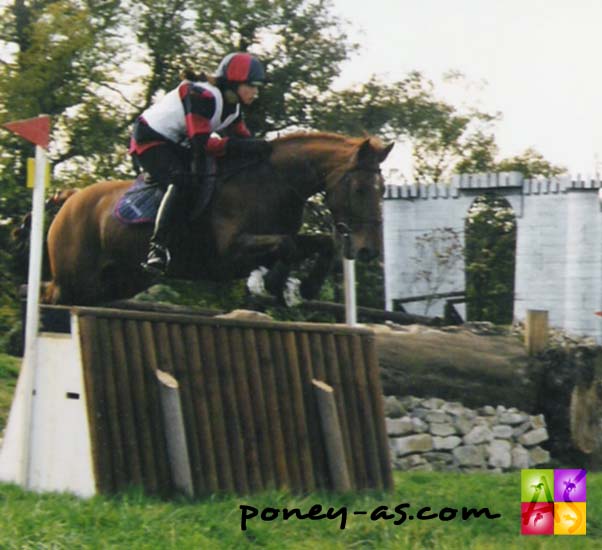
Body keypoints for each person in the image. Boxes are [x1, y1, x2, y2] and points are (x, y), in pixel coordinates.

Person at [129, 52, 272, 275]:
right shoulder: (201, 95)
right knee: (182, 181)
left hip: (179, 144)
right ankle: (157, 247)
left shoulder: (233, 110)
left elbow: (245, 142)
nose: (256, 92)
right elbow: (202, 143)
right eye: (252, 86)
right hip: (150, 140)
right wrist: (244, 146)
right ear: (235, 83)